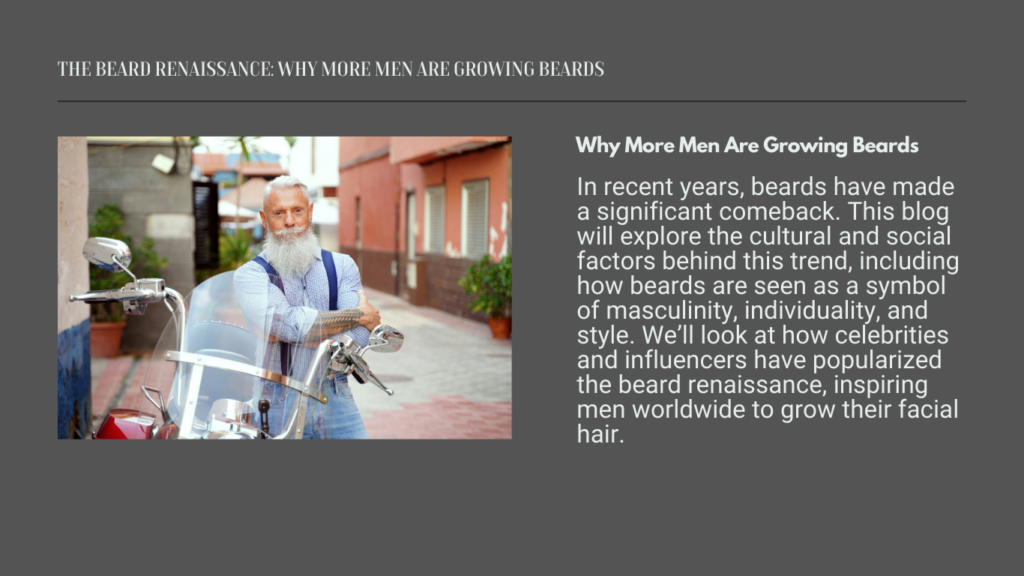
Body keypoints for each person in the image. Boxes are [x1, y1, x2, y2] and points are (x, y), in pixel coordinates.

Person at [234, 176, 381, 439]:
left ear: (309, 212)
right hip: (278, 397)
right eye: (279, 212)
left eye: (297, 210)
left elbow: (357, 339)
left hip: (335, 393)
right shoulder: (250, 275)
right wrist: (360, 315)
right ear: (264, 219)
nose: (289, 221)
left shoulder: (343, 265)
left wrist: (286, 333)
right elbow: (290, 327)